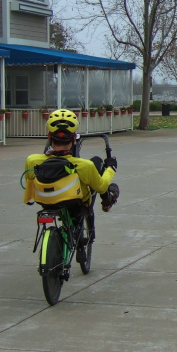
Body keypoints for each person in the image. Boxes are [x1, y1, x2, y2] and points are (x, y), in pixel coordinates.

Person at [22, 110, 119, 260]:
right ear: (74, 139)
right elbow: (101, 186)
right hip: (75, 203)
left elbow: (30, 181)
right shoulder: (84, 166)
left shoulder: (32, 160)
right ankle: (107, 202)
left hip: (45, 201)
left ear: (49, 137)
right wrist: (111, 169)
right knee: (98, 185)